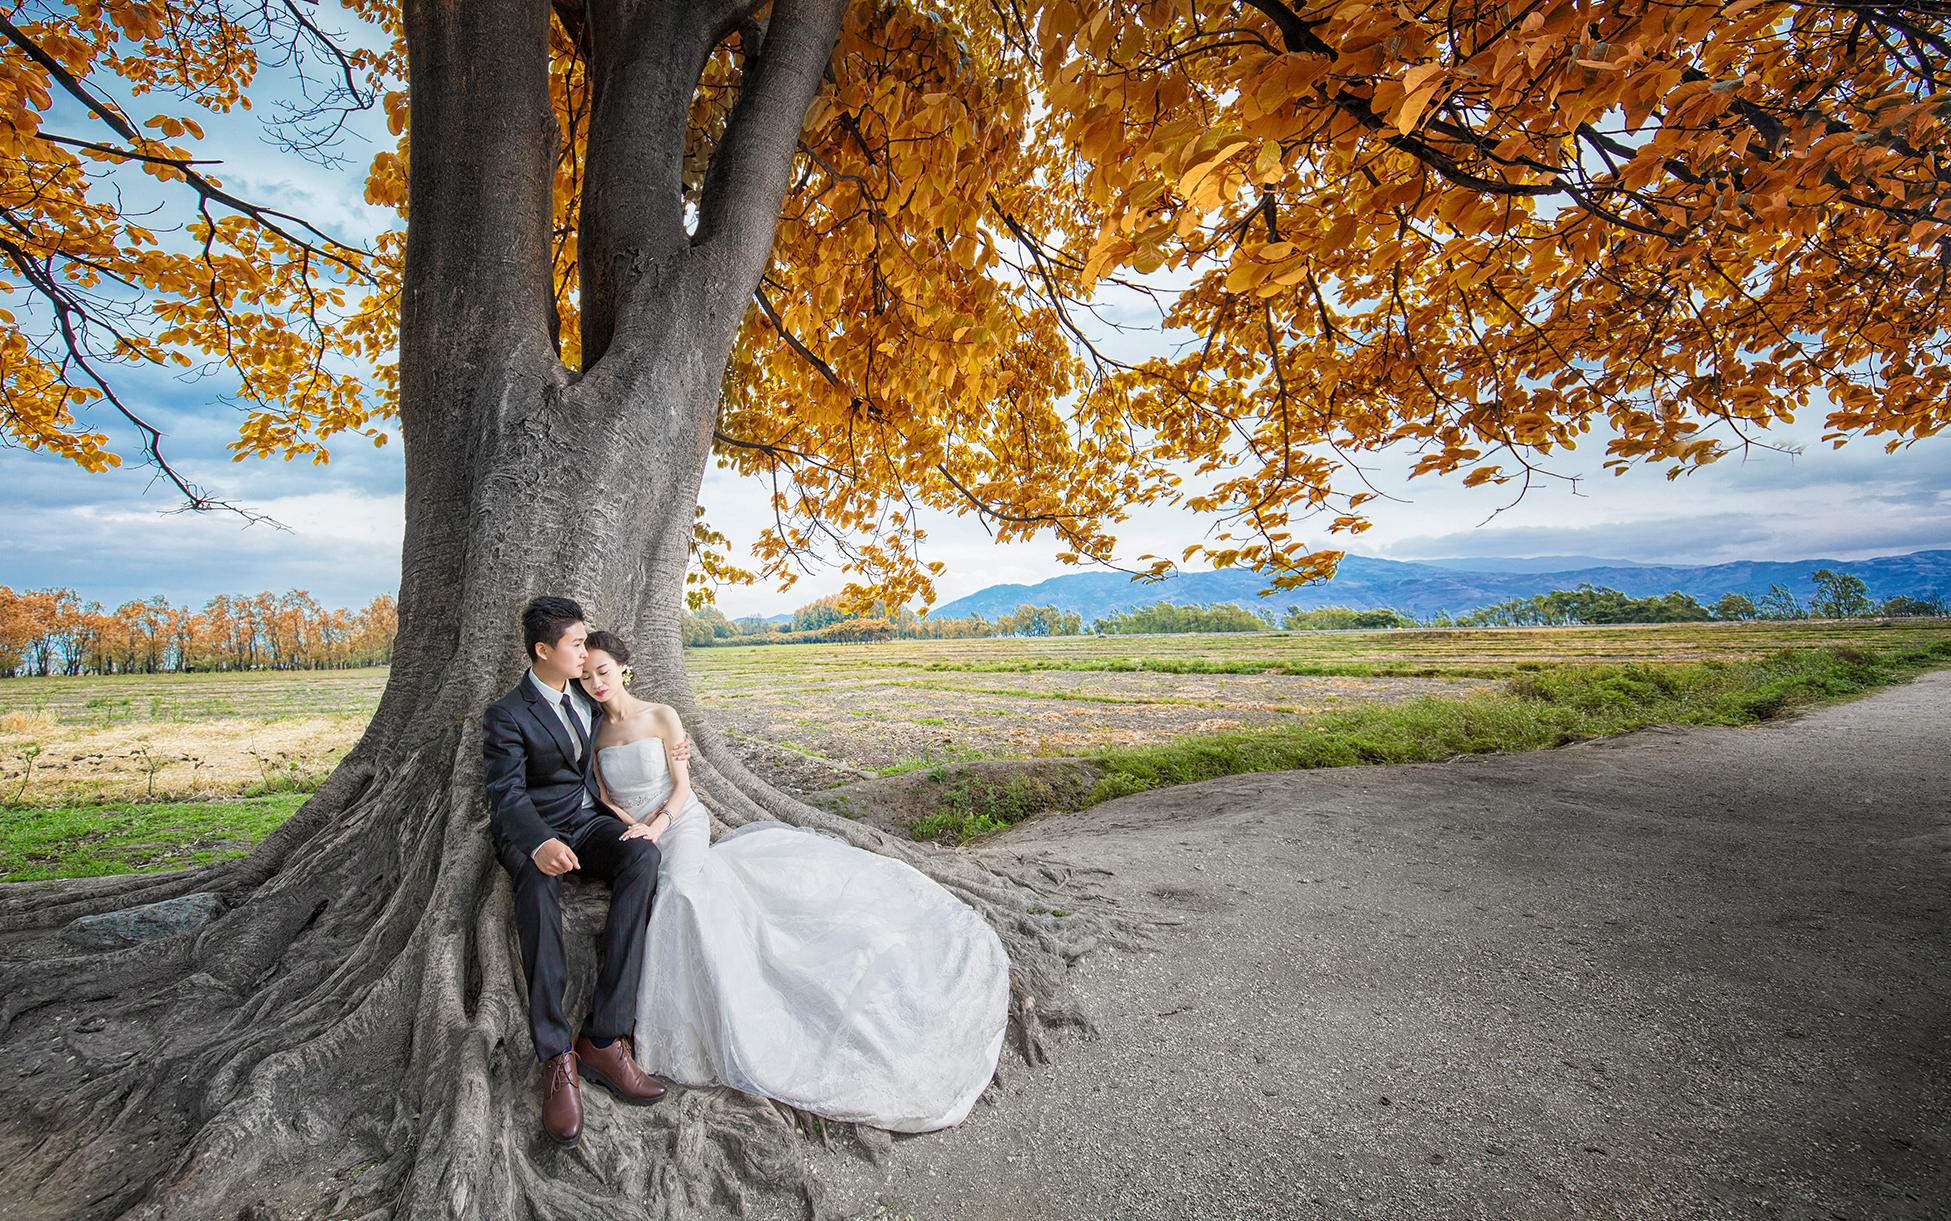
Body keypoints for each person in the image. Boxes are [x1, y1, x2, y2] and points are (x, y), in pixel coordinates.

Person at [579, 630, 1011, 1132]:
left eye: (604, 671)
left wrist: (655, 826)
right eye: (585, 675)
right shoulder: (593, 732)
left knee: (683, 895)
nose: (596, 683)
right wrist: (623, 824)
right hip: (633, 830)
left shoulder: (661, 716)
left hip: (679, 823)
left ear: (623, 668)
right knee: (678, 895)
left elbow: (682, 790)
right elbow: (604, 792)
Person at [481, 596, 688, 1146]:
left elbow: (605, 758)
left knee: (641, 856)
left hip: (586, 821)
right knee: (538, 894)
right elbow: (505, 794)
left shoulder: (588, 700)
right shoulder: (506, 714)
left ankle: (605, 1038)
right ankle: (555, 1057)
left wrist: (674, 753)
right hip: (532, 833)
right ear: (544, 651)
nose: (584, 652)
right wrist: (538, 842)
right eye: (575, 644)